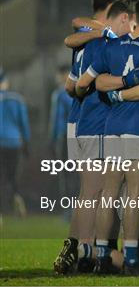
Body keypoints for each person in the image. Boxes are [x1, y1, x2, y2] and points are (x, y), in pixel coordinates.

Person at [81, 0, 139, 274]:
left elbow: (98, 81)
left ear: (132, 18)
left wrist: (116, 94)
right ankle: (131, 260)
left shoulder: (113, 46)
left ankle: (103, 257)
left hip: (113, 126)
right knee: (134, 195)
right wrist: (128, 89)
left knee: (109, 192)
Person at [54, 0, 125, 275]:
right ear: (112, 7)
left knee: (89, 191)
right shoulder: (104, 41)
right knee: (99, 192)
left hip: (78, 121)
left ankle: (82, 248)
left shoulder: (84, 39)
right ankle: (92, 251)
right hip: (97, 122)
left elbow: (71, 87)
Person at [0, 68, 30, 217]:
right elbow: (24, 124)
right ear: (6, 81)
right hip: (14, 142)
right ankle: (17, 199)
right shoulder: (17, 99)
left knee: (2, 176)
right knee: (12, 176)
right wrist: (26, 143)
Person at [49, 66, 77, 220]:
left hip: (64, 137)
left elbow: (56, 119)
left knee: (65, 175)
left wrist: (52, 139)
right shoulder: (82, 90)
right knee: (79, 175)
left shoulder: (60, 93)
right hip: (80, 136)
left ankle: (68, 212)